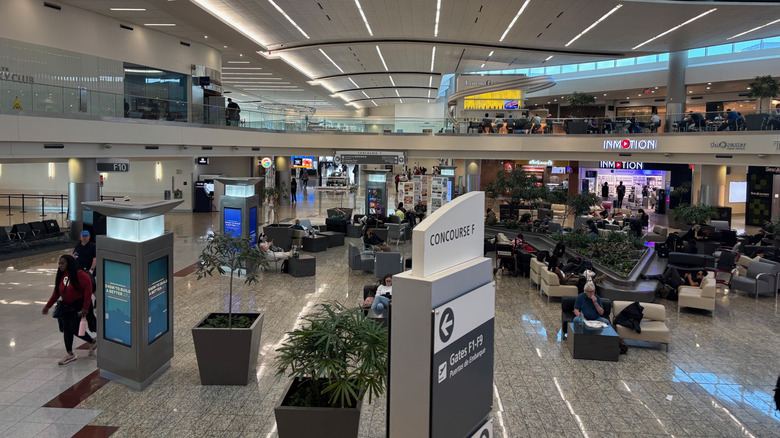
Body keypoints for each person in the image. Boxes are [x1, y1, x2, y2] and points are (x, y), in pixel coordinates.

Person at [41, 255, 97, 365]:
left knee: (74, 328)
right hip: (67, 306)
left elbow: (88, 291)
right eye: (59, 264)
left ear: (69, 263)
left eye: (63, 263)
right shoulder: (62, 275)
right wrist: (48, 306)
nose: (60, 266)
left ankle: (92, 341)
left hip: (80, 306)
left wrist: (85, 307)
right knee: (67, 328)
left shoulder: (80, 275)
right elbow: (57, 292)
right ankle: (70, 353)